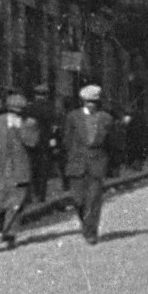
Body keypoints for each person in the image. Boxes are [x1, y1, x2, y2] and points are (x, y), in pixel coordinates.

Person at [0, 91, 40, 249]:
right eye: (12, 112)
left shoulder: (30, 123)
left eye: (18, 113)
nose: (14, 115)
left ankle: (10, 234)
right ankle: (4, 226)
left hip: (19, 170)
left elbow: (32, 144)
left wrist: (22, 130)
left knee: (16, 203)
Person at [61, 83, 114, 244]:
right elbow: (66, 140)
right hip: (77, 164)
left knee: (93, 199)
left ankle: (91, 232)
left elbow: (112, 142)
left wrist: (110, 164)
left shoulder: (106, 118)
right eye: (88, 102)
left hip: (97, 164)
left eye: (95, 102)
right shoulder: (73, 117)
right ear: (83, 101)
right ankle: (86, 223)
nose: (91, 105)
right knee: (78, 200)